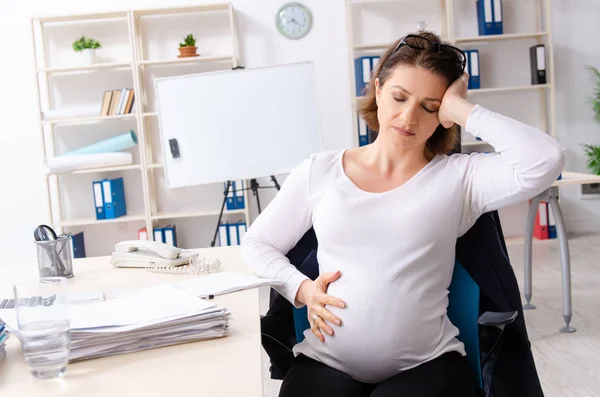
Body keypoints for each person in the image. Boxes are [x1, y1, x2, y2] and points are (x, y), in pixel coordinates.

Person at [241, 30, 565, 397]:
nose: (408, 117)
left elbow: (546, 161)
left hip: (429, 367)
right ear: (377, 90)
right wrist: (299, 287)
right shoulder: (320, 171)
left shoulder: (460, 178)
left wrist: (462, 109)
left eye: (429, 106)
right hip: (325, 361)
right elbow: (257, 243)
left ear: (443, 114)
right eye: (399, 97)